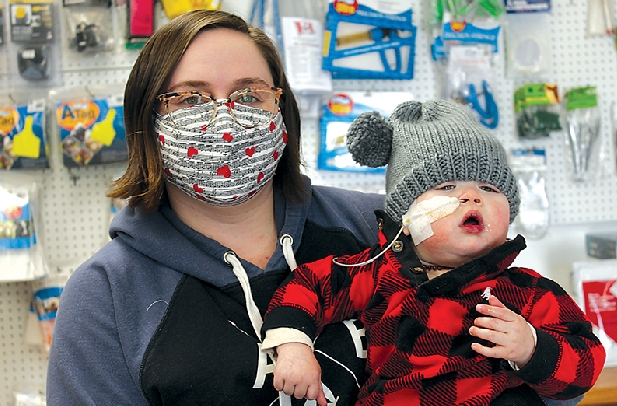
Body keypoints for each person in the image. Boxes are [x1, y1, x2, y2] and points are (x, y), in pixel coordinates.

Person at [46, 10, 386, 405]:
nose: (225, 119)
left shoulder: (375, 226)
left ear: (281, 109)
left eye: (249, 95)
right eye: (191, 98)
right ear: (148, 120)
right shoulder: (106, 294)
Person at [261, 100, 606, 406]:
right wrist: (294, 347)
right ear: (407, 220)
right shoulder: (380, 272)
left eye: (488, 187)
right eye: (447, 187)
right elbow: (308, 285)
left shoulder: (528, 293)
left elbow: (586, 363)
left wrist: (531, 349)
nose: (471, 197)